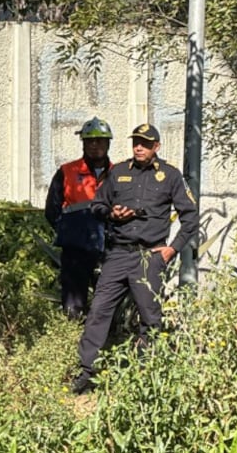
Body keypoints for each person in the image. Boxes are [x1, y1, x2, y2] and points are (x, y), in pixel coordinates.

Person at [71, 123, 199, 395]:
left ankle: (143, 375)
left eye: (145, 143)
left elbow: (191, 218)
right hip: (118, 254)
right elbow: (97, 205)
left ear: (156, 146)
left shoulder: (171, 176)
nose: (138, 147)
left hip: (149, 256)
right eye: (135, 143)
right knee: (99, 312)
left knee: (149, 318)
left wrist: (171, 250)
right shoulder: (118, 172)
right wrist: (111, 214)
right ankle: (87, 373)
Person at [44, 117, 114, 319]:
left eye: (100, 141)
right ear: (83, 143)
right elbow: (52, 210)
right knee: (73, 303)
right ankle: (72, 338)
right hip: (76, 248)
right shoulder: (67, 171)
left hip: (110, 247)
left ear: (108, 143)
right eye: (89, 141)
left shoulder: (118, 173)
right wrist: (69, 230)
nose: (95, 146)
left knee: (108, 300)